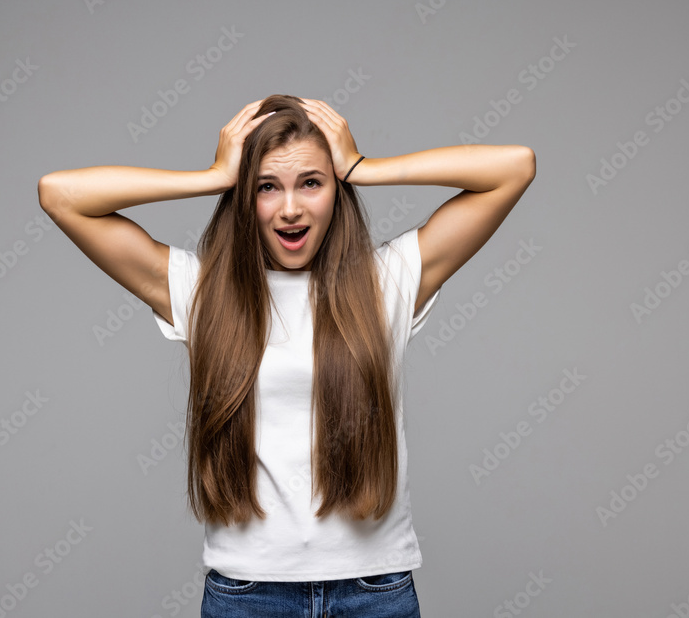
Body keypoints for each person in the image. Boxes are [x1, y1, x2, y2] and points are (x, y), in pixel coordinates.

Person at [38, 94, 535, 617]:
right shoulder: (202, 292)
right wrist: (212, 176)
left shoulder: (385, 282)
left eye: (312, 183)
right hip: (248, 595)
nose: (291, 208)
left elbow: (514, 167)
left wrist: (365, 167)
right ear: (244, 197)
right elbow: (61, 195)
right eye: (266, 187)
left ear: (336, 191)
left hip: (374, 592)